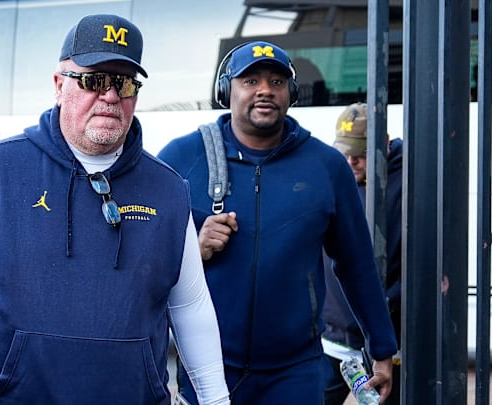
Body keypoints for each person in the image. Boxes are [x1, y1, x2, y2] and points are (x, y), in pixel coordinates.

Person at [0, 14, 230, 405]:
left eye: (123, 83)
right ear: (60, 86)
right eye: (94, 80)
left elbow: (191, 304)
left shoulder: (170, 189)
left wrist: (215, 400)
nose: (110, 96)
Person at [157, 41, 398, 404]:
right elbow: (142, 260)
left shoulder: (327, 166)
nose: (265, 90)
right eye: (250, 81)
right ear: (227, 91)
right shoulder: (181, 158)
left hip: (296, 372)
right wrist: (192, 247)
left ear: (292, 93)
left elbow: (357, 265)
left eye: (277, 81)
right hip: (206, 368)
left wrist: (381, 347)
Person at [322, 102, 403, 405]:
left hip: (388, 340)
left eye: (362, 154)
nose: (351, 161)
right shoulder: (332, 175)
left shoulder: (410, 180)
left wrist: (388, 304)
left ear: (384, 143)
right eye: (345, 152)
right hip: (332, 338)